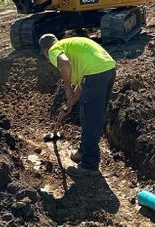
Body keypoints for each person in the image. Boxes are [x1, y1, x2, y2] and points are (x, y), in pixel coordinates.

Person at [38, 33, 116, 177]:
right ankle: (83, 151)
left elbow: (64, 63)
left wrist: (67, 88)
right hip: (108, 69)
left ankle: (89, 165)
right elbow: (81, 84)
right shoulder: (71, 45)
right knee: (91, 115)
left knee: (89, 118)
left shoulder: (54, 50)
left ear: (44, 51)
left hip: (95, 74)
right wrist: (71, 102)